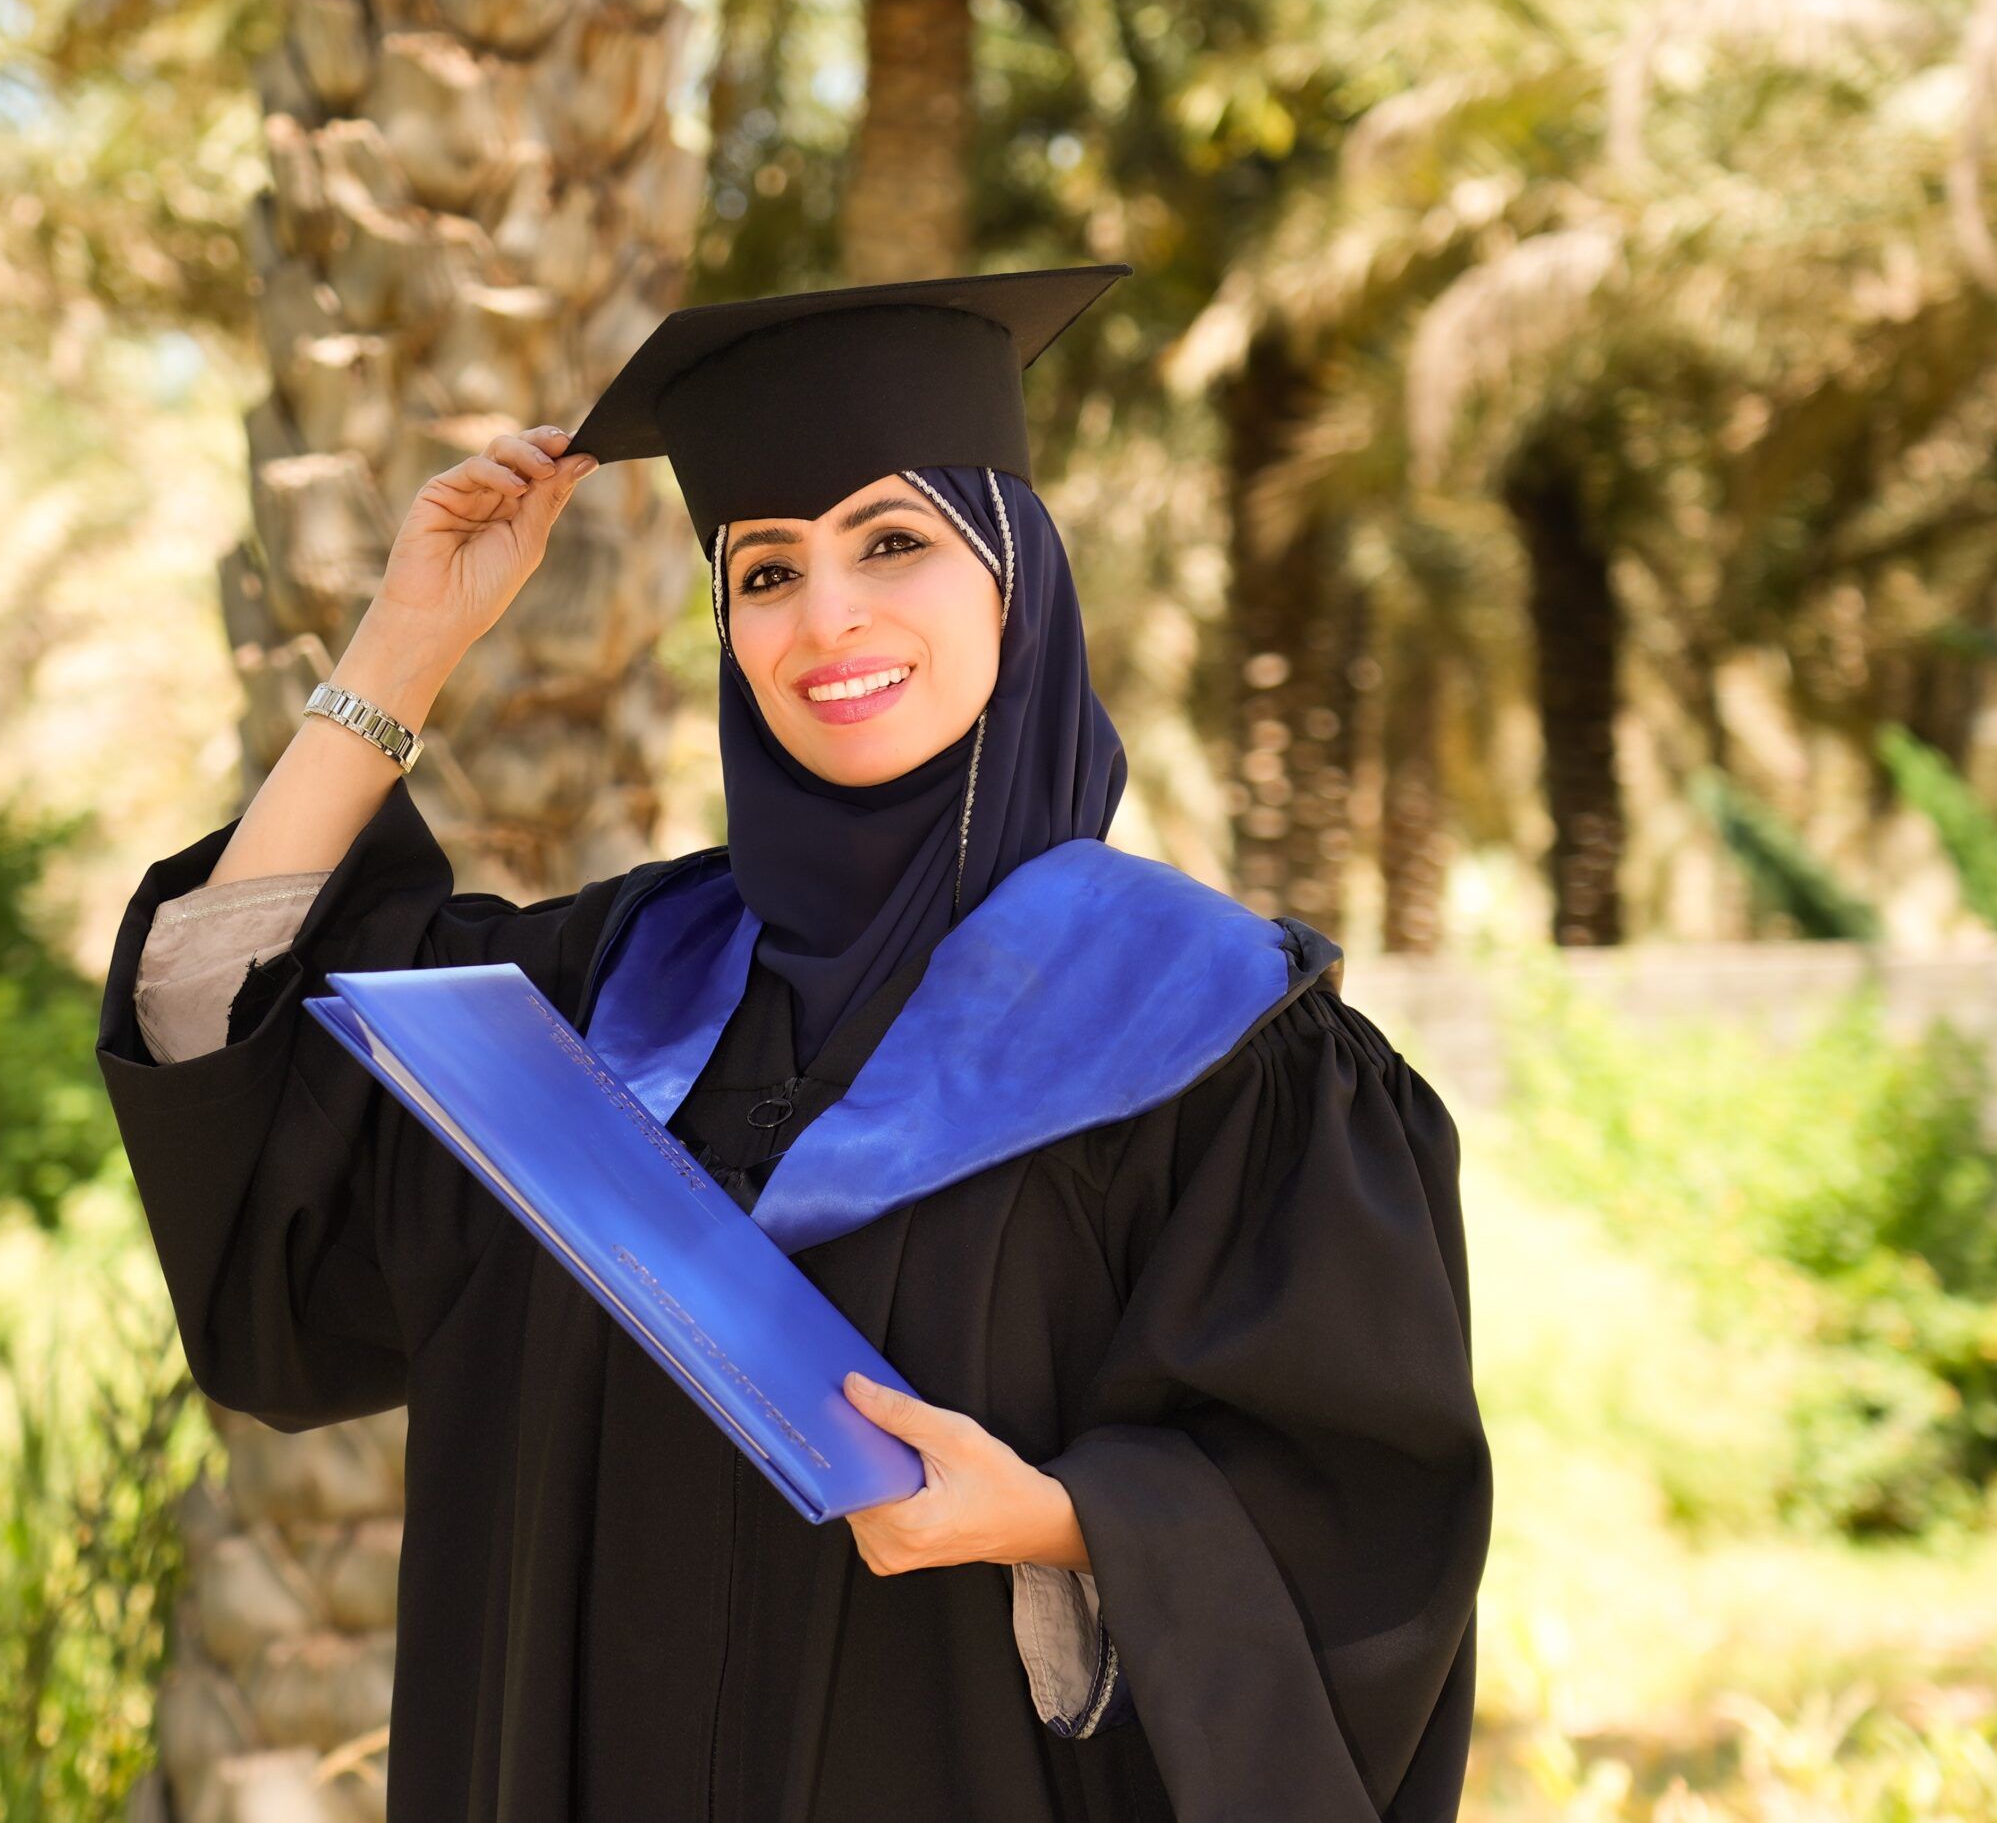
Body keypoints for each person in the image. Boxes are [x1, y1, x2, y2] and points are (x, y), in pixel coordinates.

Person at [97, 266, 1491, 1821]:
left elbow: (1367, 1517)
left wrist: (1061, 1521)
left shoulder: (1211, 1032)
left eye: (894, 543)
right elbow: (240, 1027)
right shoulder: (606, 985)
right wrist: (402, 648)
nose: (827, 618)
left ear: (1015, 577)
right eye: (765, 571)